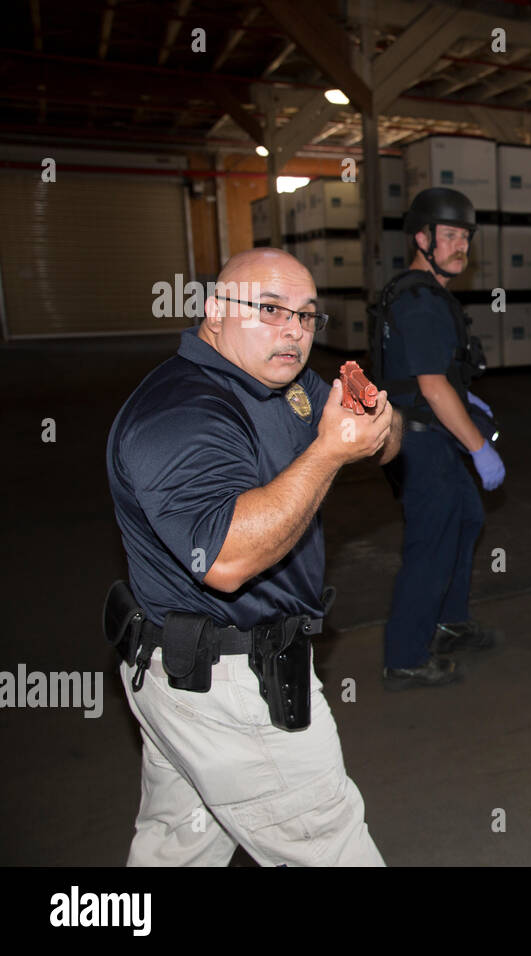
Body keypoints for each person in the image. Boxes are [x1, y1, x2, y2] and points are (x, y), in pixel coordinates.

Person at [105, 248, 397, 865]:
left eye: (306, 315)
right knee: (330, 849)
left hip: (188, 677)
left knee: (177, 849)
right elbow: (227, 559)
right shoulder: (183, 412)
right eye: (269, 310)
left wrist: (375, 415)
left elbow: (375, 442)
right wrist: (328, 454)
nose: (293, 329)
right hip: (231, 688)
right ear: (214, 311)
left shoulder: (280, 381)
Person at [375, 187, 504, 691]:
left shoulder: (411, 291)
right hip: (425, 443)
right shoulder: (423, 302)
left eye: (465, 237)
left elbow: (426, 377)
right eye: (449, 235)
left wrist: (466, 403)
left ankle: (449, 623)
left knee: (467, 519)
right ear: (422, 238)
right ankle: (405, 656)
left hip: (425, 431)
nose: (460, 246)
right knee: (430, 544)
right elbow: (431, 385)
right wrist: (479, 446)